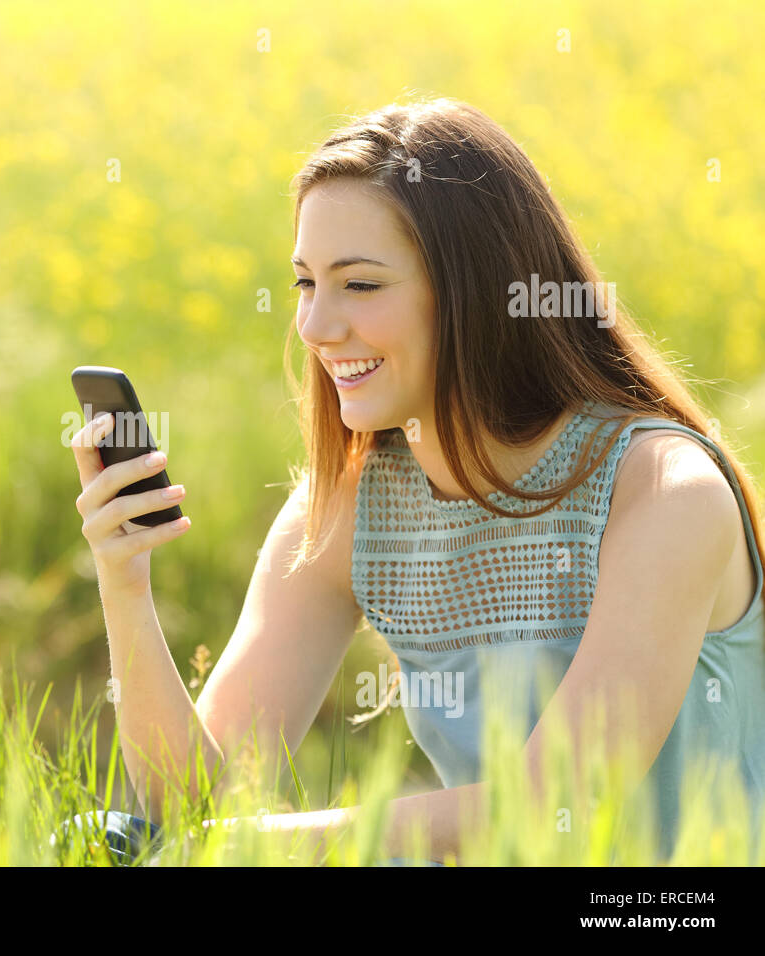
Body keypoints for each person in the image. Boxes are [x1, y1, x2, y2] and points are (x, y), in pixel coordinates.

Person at [66, 96, 765, 865]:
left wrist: (261, 845)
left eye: (359, 286)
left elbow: (557, 806)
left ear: (472, 294)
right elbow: (198, 803)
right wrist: (124, 585)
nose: (316, 326)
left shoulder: (665, 492)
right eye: (305, 284)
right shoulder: (349, 504)